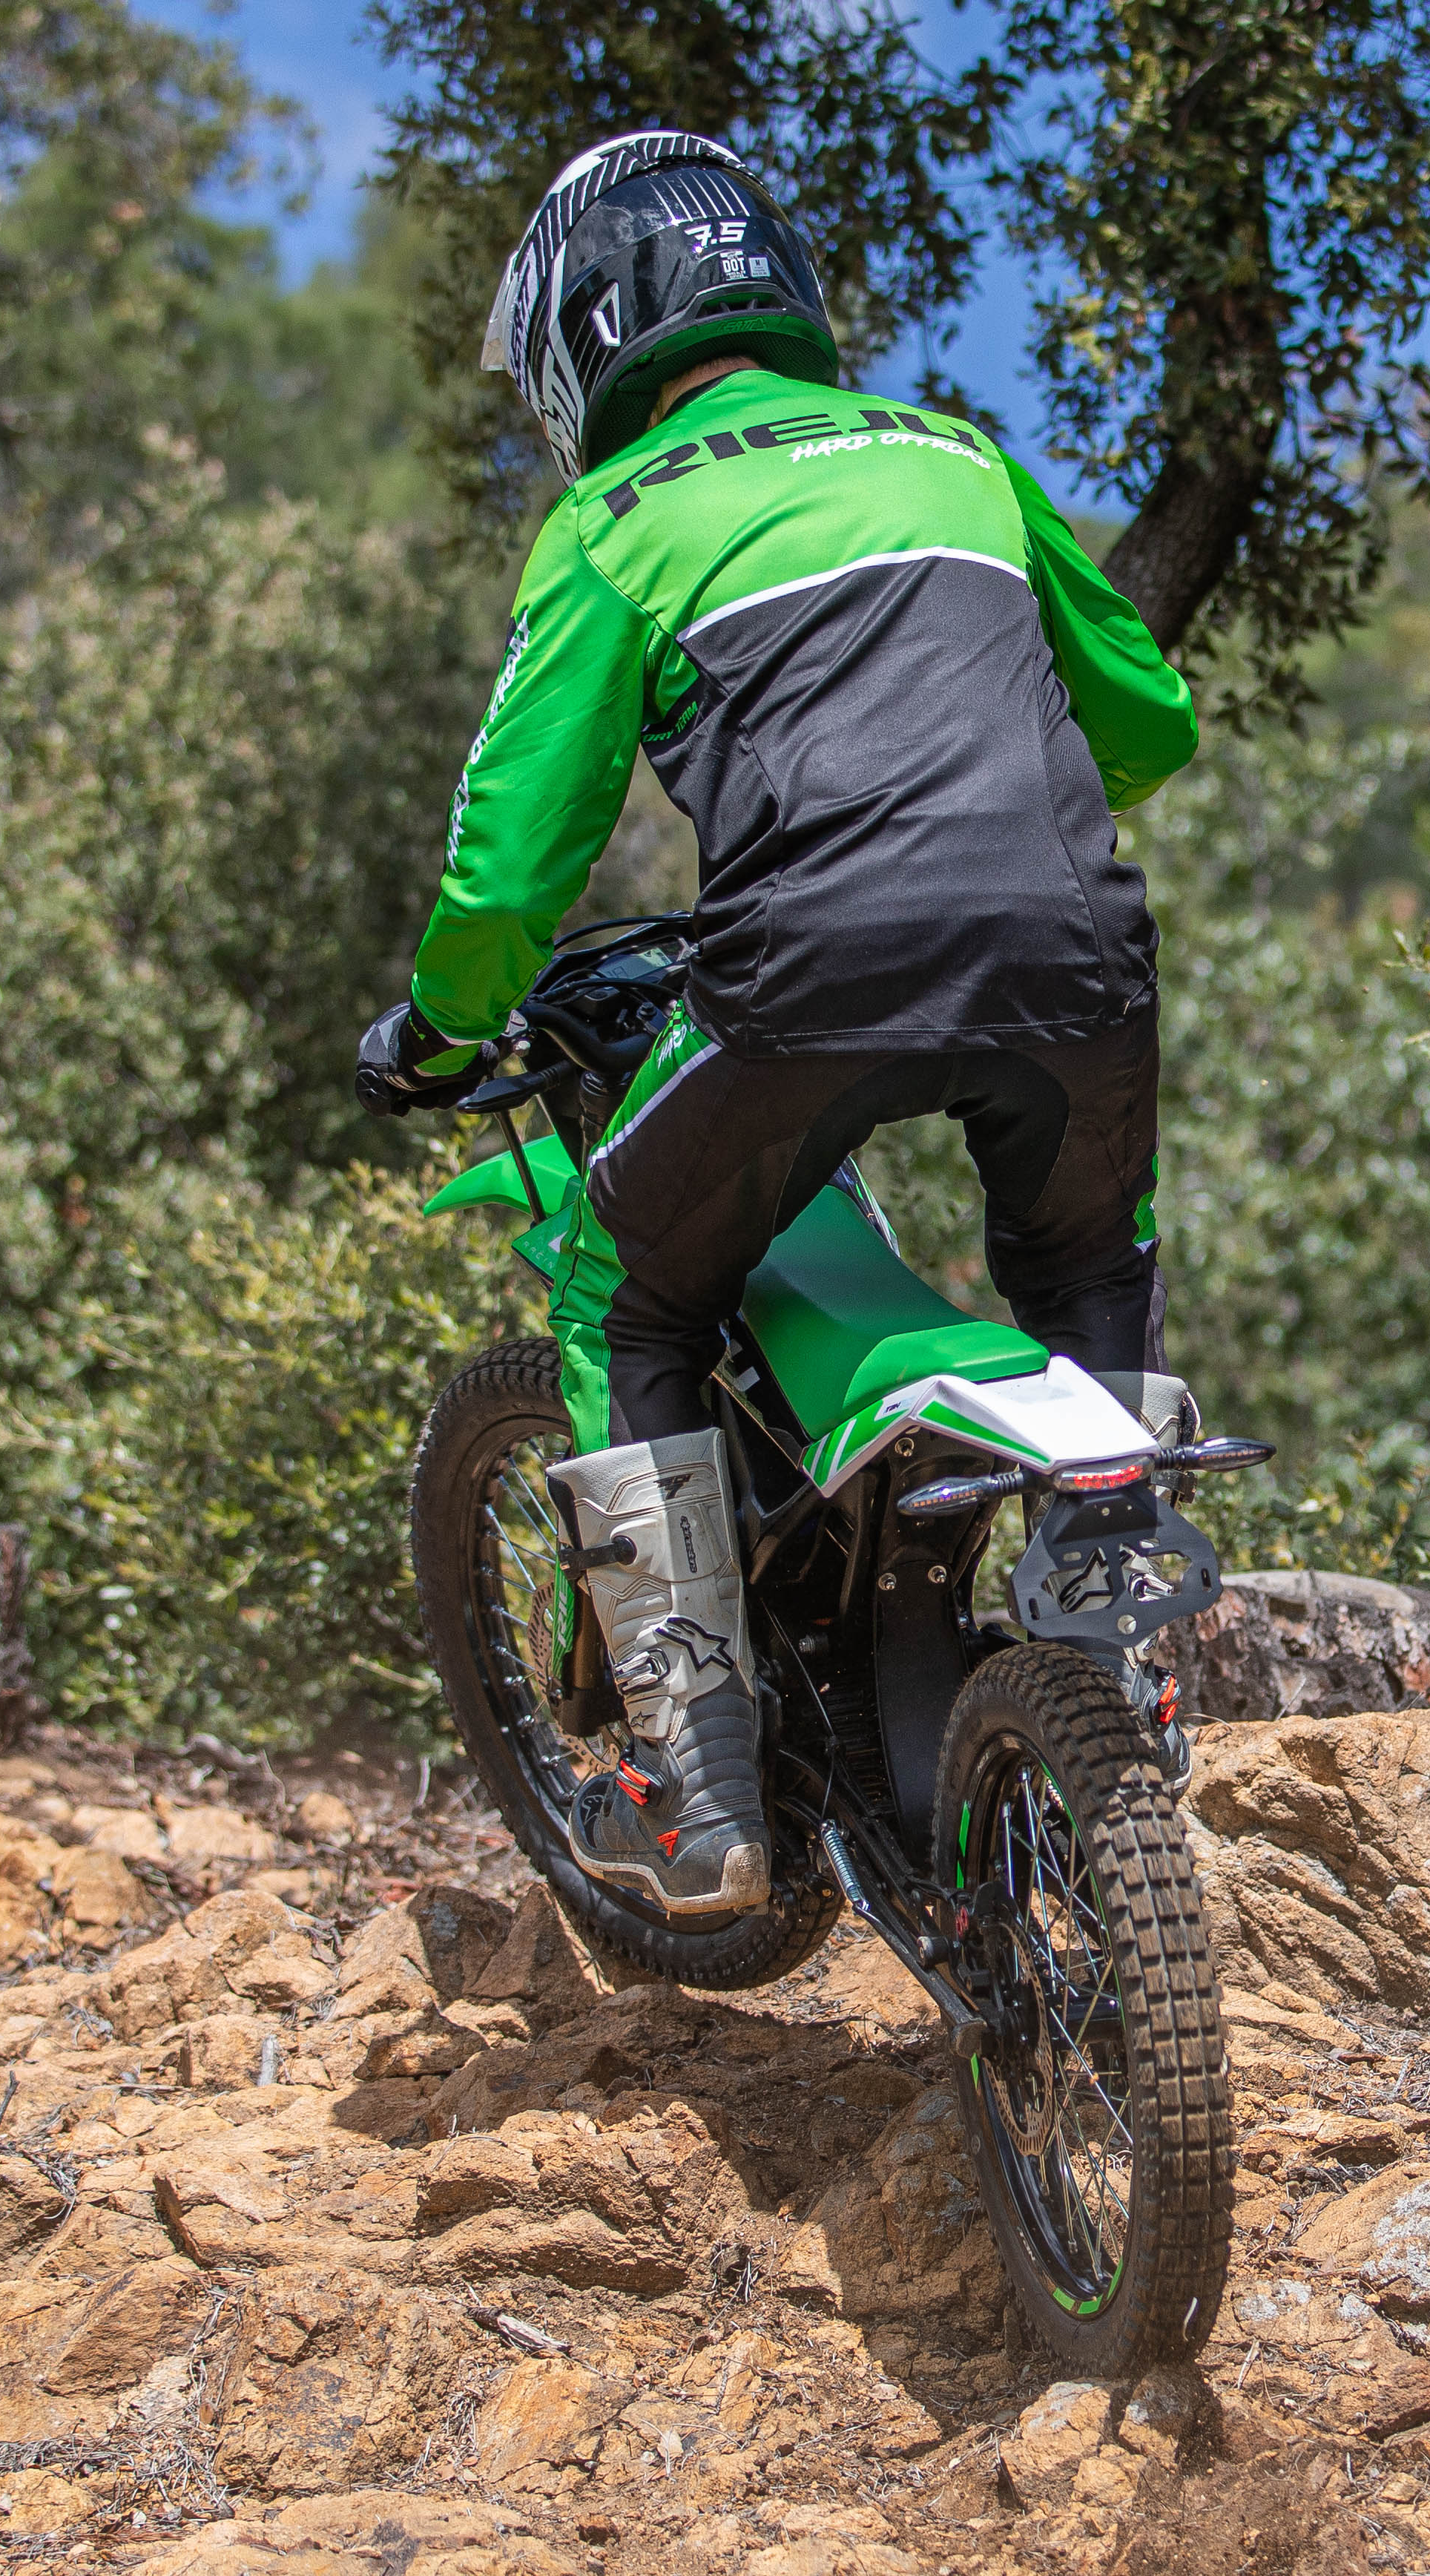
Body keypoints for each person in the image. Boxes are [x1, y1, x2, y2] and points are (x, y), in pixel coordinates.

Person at [355, 131, 1199, 1922]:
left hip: (806, 971)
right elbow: (1148, 726)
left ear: (586, 336)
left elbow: (513, 866)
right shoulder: (952, 452)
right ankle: (1114, 1644)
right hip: (1078, 952)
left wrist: (437, 1026)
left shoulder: (617, 520)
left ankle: (697, 1782)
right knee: (1083, 1258)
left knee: (620, 1282)